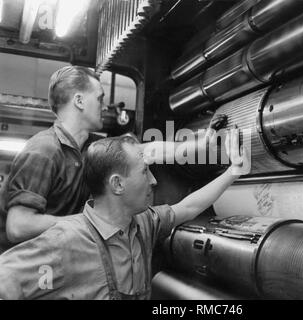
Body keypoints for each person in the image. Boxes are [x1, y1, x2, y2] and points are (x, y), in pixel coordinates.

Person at [0, 129, 250, 300]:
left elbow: (187, 208)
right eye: (144, 172)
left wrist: (234, 171)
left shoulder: (143, 224)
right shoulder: (65, 241)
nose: (153, 181)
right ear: (117, 184)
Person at [3, 66, 227, 244]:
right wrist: (89, 224)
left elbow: (148, 151)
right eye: (99, 98)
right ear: (79, 101)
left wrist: (202, 144)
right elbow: (19, 226)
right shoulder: (43, 150)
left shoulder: (94, 148)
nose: (104, 105)